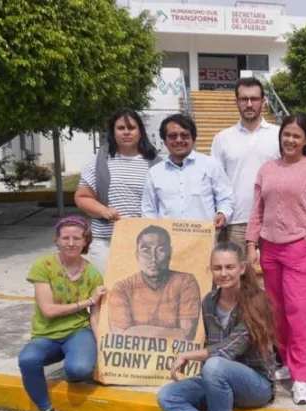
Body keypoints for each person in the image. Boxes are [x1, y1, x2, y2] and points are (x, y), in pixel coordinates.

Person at [157, 242, 276, 411]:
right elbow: (210, 345)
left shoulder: (257, 300)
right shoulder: (209, 301)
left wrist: (188, 355)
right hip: (217, 379)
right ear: (210, 270)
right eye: (217, 268)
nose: (224, 273)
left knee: (214, 365)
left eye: (230, 267)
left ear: (242, 268)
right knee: (168, 395)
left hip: (255, 384)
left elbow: (227, 350)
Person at [246, 114, 306, 405]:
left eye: (296, 135)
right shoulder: (267, 169)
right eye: (286, 134)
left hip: (301, 249)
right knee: (276, 310)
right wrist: (251, 243)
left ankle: (301, 376)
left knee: (298, 312)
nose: (290, 140)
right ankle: (285, 361)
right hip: (270, 249)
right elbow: (257, 210)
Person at [17, 216, 106, 411]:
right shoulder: (43, 266)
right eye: (65, 238)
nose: (71, 243)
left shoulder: (93, 274)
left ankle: (75, 357)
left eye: (77, 238)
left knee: (79, 370)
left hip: (78, 330)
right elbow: (48, 310)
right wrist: (88, 301)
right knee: (28, 360)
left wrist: (103, 347)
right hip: (46, 334)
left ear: (86, 242)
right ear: (56, 240)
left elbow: (95, 316)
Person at [74, 108, 161, 274]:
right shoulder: (99, 161)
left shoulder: (156, 163)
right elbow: (82, 196)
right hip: (107, 241)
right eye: (121, 128)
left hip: (146, 243)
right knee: (107, 288)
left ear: (140, 132)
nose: (126, 132)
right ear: (113, 132)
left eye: (131, 128)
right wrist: (103, 210)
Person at [211, 77, 280, 245]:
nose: (249, 104)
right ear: (236, 102)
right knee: (238, 263)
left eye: (254, 99)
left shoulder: (279, 135)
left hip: (274, 220)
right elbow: (216, 182)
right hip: (236, 221)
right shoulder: (222, 139)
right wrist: (221, 212)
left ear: (263, 101)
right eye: (244, 99)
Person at [108, 225, 201, 341]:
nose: (153, 258)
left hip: (174, 353)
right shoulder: (122, 288)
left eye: (160, 249)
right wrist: (172, 333)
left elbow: (187, 335)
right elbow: (120, 336)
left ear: (170, 253)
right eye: (146, 250)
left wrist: (134, 331)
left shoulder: (185, 282)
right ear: (137, 255)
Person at [142, 114, 234, 225]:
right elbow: (149, 210)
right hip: (166, 235)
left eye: (184, 135)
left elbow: (226, 198)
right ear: (164, 141)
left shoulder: (210, 165)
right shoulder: (155, 173)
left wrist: (222, 214)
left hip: (203, 234)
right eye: (172, 136)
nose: (178, 140)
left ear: (193, 138)